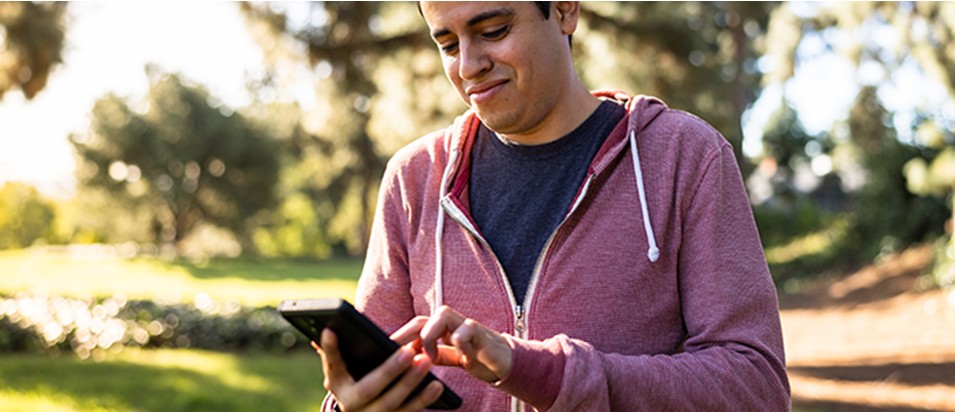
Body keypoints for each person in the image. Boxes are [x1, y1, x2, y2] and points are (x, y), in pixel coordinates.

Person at [315, 2, 791, 411]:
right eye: (448, 44)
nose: (468, 65)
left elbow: (756, 387)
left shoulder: (684, 157)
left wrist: (543, 372)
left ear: (565, 10)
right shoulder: (414, 178)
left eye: (493, 31)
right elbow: (368, 376)